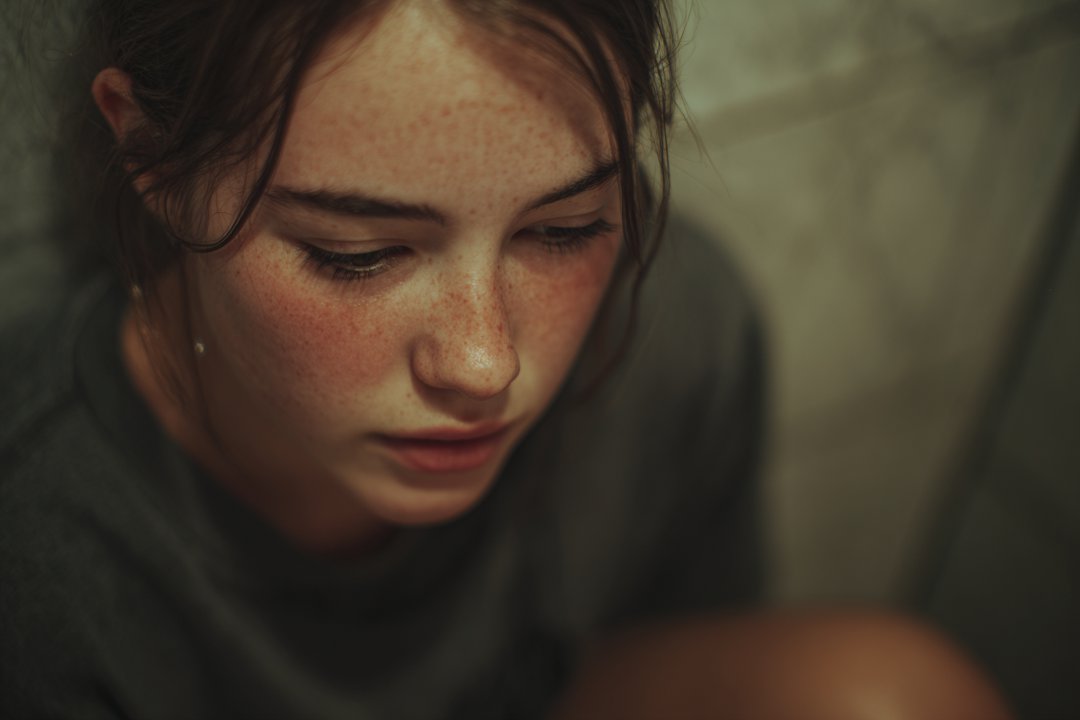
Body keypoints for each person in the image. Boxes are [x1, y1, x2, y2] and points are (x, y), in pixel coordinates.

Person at [0, 1, 1013, 718]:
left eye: (565, 230)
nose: (486, 365)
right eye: (358, 252)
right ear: (151, 153)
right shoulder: (39, 558)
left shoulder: (677, 328)